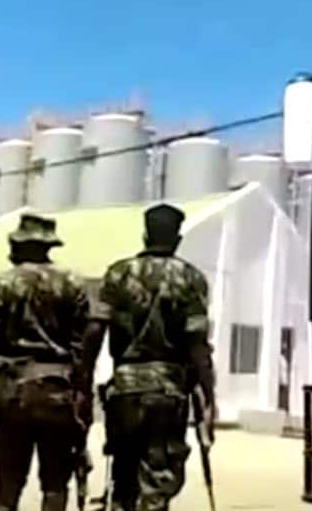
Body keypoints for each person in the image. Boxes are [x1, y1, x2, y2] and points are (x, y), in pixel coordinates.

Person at [80, 203, 217, 511]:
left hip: (125, 387)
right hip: (168, 391)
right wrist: (209, 395)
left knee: (123, 473)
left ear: (144, 235)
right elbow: (198, 344)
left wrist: (84, 379)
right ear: (177, 239)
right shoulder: (190, 278)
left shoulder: (118, 273)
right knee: (159, 476)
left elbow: (95, 330)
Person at [0, 214, 89, 511]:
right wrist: (82, 396)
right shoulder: (73, 284)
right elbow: (82, 346)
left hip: (15, 391)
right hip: (59, 392)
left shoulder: (4, 283)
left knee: (9, 484)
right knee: (55, 484)